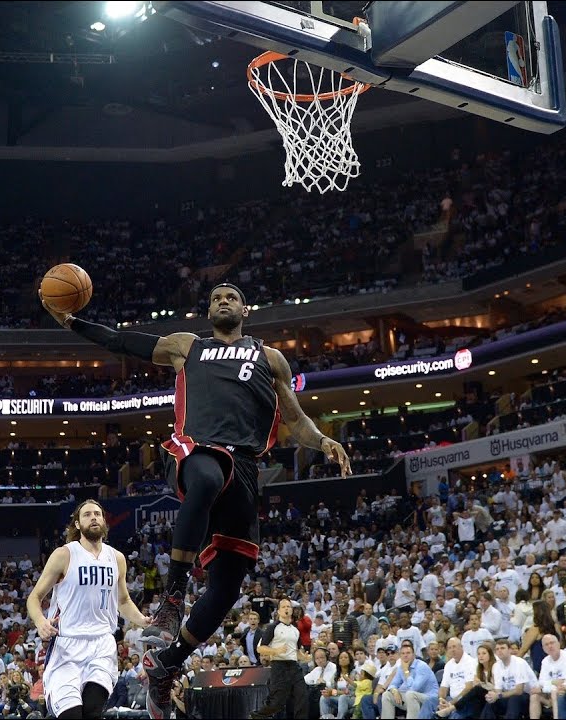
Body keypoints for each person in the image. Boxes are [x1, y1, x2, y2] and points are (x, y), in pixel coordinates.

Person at [46, 282, 351, 720]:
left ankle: (167, 665)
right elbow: (121, 340)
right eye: (215, 298)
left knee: (226, 588)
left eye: (231, 297)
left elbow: (296, 419)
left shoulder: (270, 358)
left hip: (245, 469)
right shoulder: (187, 347)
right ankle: (172, 597)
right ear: (208, 312)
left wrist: (323, 442)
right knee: (207, 475)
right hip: (197, 450)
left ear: (246, 309)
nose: (223, 301)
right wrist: (73, 322)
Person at [27, 499, 150, 719]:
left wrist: (143, 620)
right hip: (67, 647)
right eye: (86, 515)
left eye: (97, 514)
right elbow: (34, 597)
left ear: (104, 521)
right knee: (72, 715)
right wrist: (40, 622)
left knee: (92, 711)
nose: (93, 517)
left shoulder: (117, 558)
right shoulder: (64, 555)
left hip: (101, 645)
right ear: (77, 524)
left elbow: (122, 601)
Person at [252, 598, 310, 719]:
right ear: (278, 611)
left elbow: (297, 650)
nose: (286, 609)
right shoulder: (273, 627)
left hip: (294, 666)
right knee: (277, 701)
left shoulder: (295, 629)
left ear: (292, 610)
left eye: (288, 606)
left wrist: (304, 657)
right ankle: (257, 716)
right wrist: (275, 650)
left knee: (302, 695)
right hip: (279, 666)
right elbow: (260, 648)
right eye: (283, 607)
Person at [381, 641, 439, 719]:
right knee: (387, 695)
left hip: (429, 699)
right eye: (403, 653)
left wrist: (406, 671)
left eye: (408, 653)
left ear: (413, 655)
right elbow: (393, 684)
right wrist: (394, 691)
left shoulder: (422, 666)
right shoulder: (401, 667)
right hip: (412, 699)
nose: (405, 656)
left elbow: (414, 688)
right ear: (400, 655)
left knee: (410, 694)